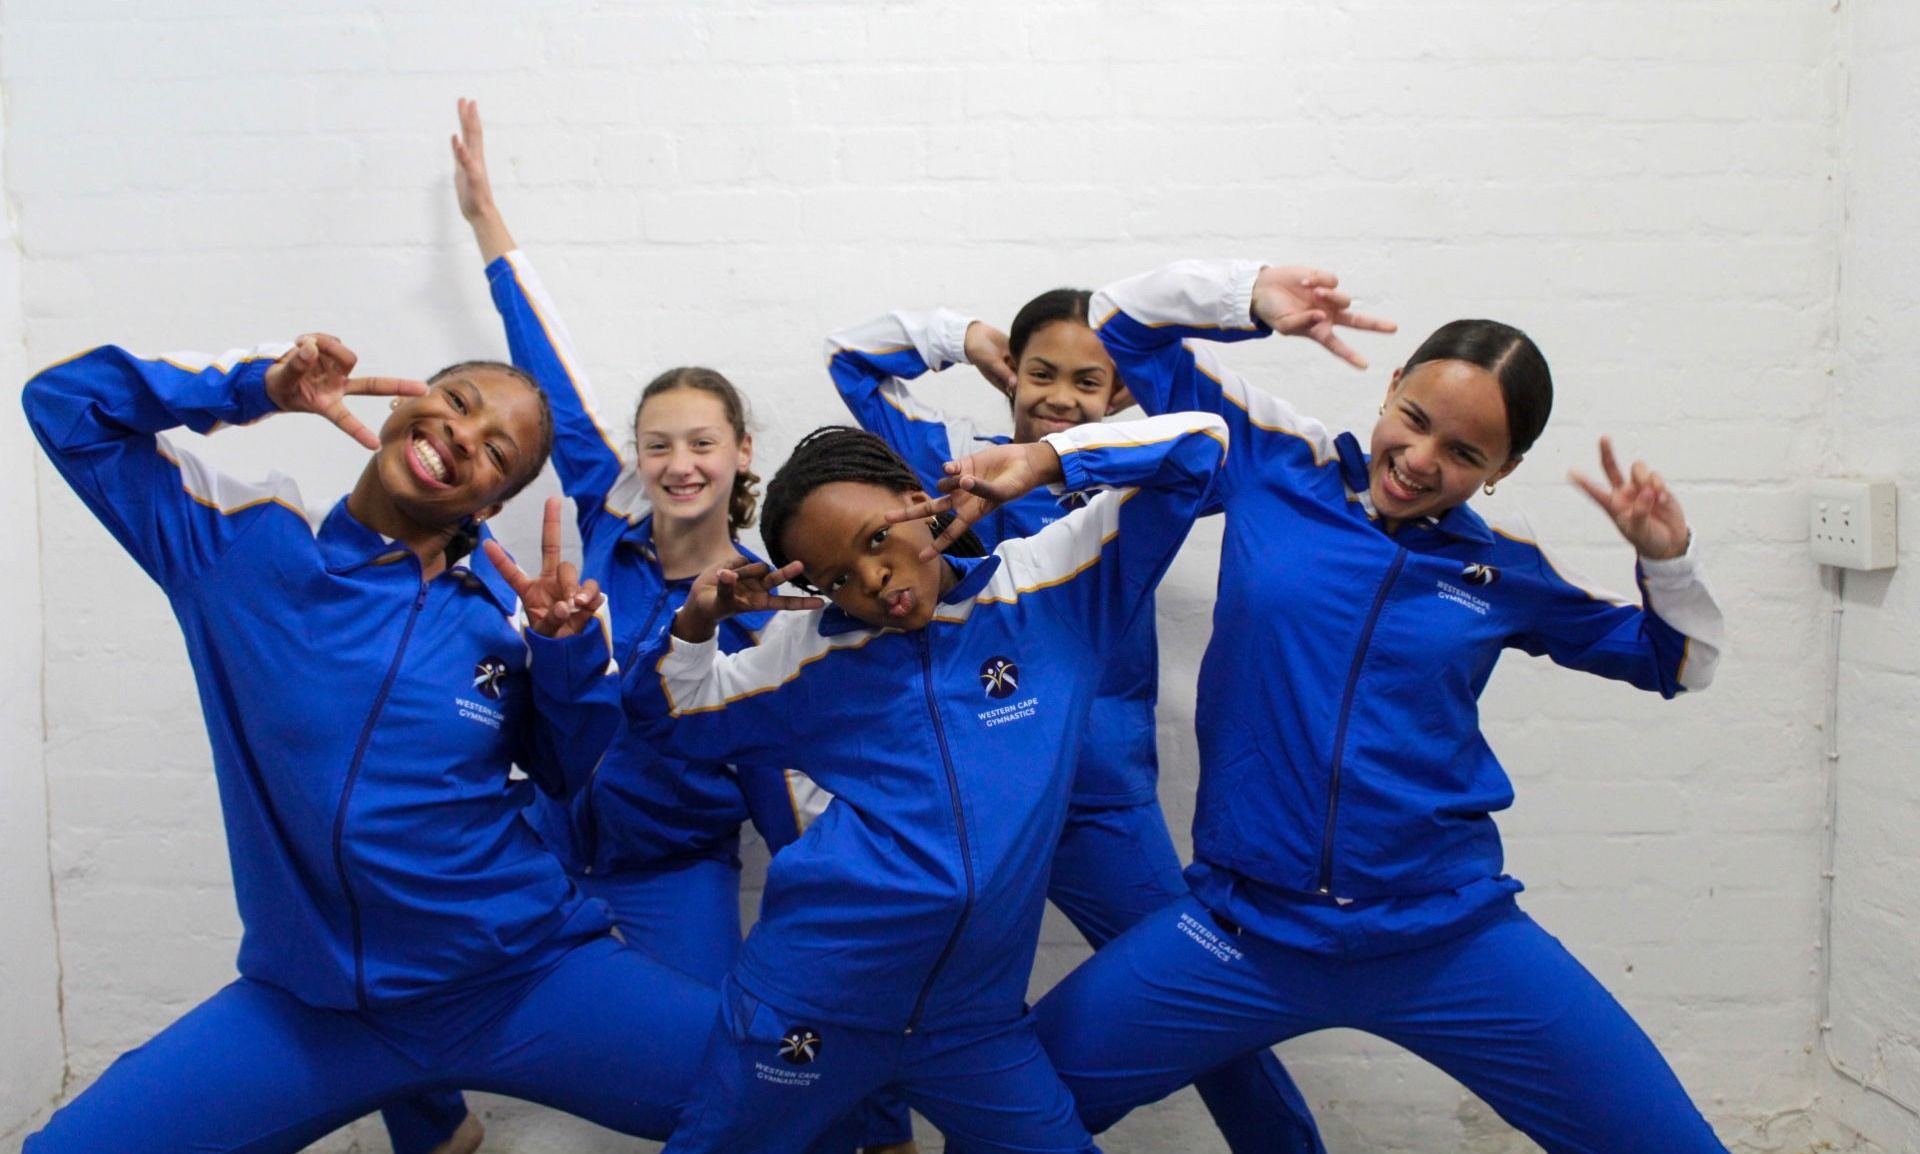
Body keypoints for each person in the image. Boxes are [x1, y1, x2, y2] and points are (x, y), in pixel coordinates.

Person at [1018, 258, 1731, 1154]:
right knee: (1014, 1108)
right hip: (1244, 930)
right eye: (1416, 420)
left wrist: (1667, 557)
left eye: (1465, 454)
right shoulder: (1277, 460)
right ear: (1392, 387)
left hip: (1446, 938)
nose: (1421, 461)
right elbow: (1120, 319)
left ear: (1504, 468)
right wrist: (1250, 297)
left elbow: (1678, 663)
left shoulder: (1504, 570)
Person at [21, 329, 719, 1152]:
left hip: (518, 980)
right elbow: (66, 406)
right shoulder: (244, 546)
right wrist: (255, 387)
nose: (463, 435)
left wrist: (564, 655)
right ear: (402, 405)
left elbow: (565, 774)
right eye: (457, 402)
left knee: (793, 1094)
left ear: (488, 506)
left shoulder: (501, 624)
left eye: (497, 452)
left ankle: (435, 1122)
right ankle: (440, 1125)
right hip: (313, 1010)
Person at [377, 98, 915, 1154]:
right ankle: (441, 1132)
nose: (679, 463)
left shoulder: (769, 606)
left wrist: (882, 1122)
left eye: (703, 443)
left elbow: (802, 822)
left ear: (741, 452)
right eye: (658, 443)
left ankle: (870, 1118)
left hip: (674, 868)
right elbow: (541, 355)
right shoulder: (604, 512)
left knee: (736, 1062)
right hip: (536, 845)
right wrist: (486, 218)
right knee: (391, 967)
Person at [624, 408, 1229, 1154]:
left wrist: (1043, 460)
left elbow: (1202, 447)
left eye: (877, 538)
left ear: (919, 498)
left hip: (973, 1028)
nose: (871, 579)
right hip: (809, 1003)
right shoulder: (807, 657)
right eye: (837, 578)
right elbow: (667, 717)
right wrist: (696, 626)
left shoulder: (1049, 588)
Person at [827, 295, 1327, 1153]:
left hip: (1102, 806)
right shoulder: (956, 464)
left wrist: (1127, 397)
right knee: (897, 996)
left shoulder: (1140, 475)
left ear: (1118, 394)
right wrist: (966, 339)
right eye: (1041, 373)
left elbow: (1218, 446)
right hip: (975, 814)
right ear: (1012, 375)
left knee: (1215, 1013)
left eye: (1087, 381)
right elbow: (851, 359)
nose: (1060, 396)